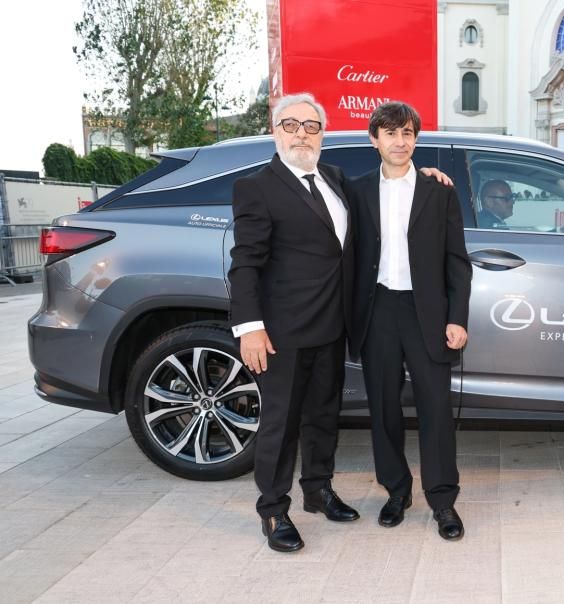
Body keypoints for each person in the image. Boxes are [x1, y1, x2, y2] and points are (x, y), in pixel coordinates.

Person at [228, 93, 451, 553]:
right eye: (291, 125)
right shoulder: (257, 187)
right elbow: (245, 261)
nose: (302, 134)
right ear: (275, 131)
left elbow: (391, 189)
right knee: (280, 424)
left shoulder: (335, 179)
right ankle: (273, 510)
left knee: (323, 417)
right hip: (282, 333)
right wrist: (249, 326)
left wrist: (425, 174)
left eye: (311, 126)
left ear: (322, 134)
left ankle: (317, 490)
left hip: (334, 326)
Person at [349, 101, 473, 542]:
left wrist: (456, 318)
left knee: (435, 409)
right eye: (390, 133)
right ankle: (396, 492)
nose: (399, 141)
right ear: (374, 140)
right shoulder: (357, 191)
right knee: (383, 409)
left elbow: (457, 261)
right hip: (377, 310)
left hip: (428, 314)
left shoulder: (439, 191)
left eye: (407, 133)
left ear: (416, 139)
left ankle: (443, 500)